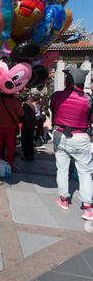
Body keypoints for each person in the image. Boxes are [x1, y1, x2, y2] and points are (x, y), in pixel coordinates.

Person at [50, 68, 93, 220]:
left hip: (60, 135)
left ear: (67, 81)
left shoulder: (56, 96)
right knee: (85, 172)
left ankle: (63, 199)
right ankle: (87, 207)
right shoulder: (88, 99)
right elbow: (90, 119)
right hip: (80, 138)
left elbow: (54, 111)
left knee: (62, 169)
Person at [0, 91, 24, 171]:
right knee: (10, 148)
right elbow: (21, 113)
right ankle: (8, 166)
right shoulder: (13, 100)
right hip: (10, 127)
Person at [20, 93, 36, 161]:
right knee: (30, 141)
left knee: (25, 141)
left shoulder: (25, 105)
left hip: (26, 125)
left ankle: (26, 156)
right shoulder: (31, 104)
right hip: (31, 125)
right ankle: (31, 155)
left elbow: (25, 116)